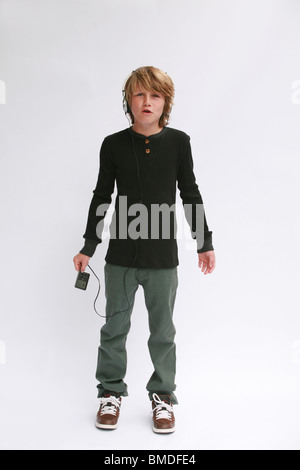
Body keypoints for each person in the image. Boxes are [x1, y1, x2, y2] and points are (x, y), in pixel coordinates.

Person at [73, 66, 216, 433]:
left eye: (154, 95)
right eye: (139, 95)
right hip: (119, 259)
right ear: (129, 101)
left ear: (165, 101)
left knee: (163, 332)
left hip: (162, 259)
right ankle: (110, 394)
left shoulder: (180, 142)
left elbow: (190, 193)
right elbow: (102, 196)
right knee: (114, 329)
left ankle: (163, 398)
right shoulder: (114, 144)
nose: (146, 102)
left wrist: (204, 242)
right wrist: (89, 245)